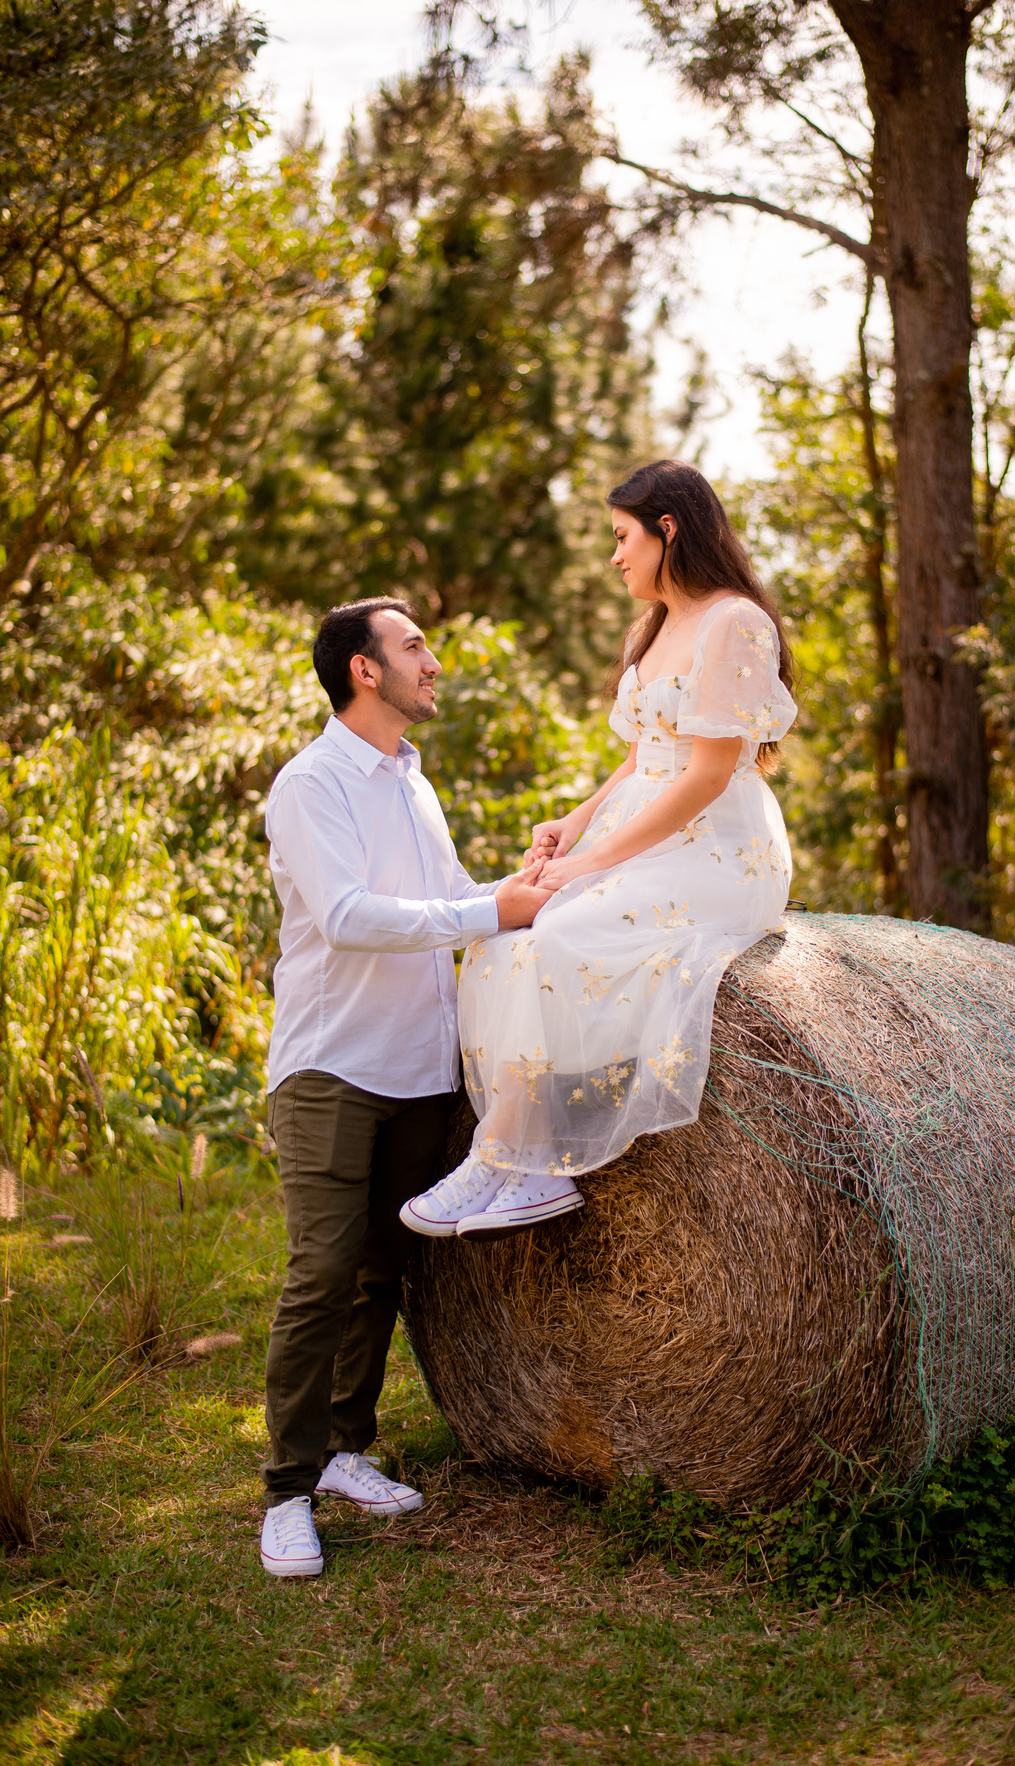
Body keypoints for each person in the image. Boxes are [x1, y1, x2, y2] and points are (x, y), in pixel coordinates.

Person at [400, 459, 797, 1240]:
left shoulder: (734, 622)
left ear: (668, 530)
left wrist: (593, 862)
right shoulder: (655, 627)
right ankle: (511, 1159)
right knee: (503, 933)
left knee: (563, 931)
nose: (615, 556)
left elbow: (709, 774)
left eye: (623, 537)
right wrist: (575, 824)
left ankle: (520, 1159)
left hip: (717, 849)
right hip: (644, 829)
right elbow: (642, 757)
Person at [258, 595, 551, 1579]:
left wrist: (528, 885)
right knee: (323, 1271)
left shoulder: (415, 782)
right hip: (333, 1066)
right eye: (415, 645)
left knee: (384, 1271)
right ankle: (287, 1493)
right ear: (364, 671)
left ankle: (347, 1450)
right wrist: (483, 907)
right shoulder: (312, 784)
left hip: (423, 1071)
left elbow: (458, 904)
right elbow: (347, 914)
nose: (434, 660)